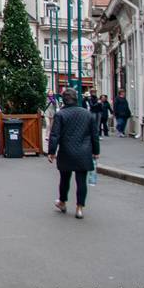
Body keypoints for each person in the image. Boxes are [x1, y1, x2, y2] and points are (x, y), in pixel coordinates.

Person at [48, 88, 100, 219]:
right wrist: (96, 151)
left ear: (64, 100)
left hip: (66, 151)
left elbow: (55, 135)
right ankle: (79, 208)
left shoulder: (61, 115)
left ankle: (62, 202)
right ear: (76, 98)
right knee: (81, 181)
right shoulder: (87, 114)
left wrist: (52, 152)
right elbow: (94, 134)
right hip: (84, 151)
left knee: (64, 179)